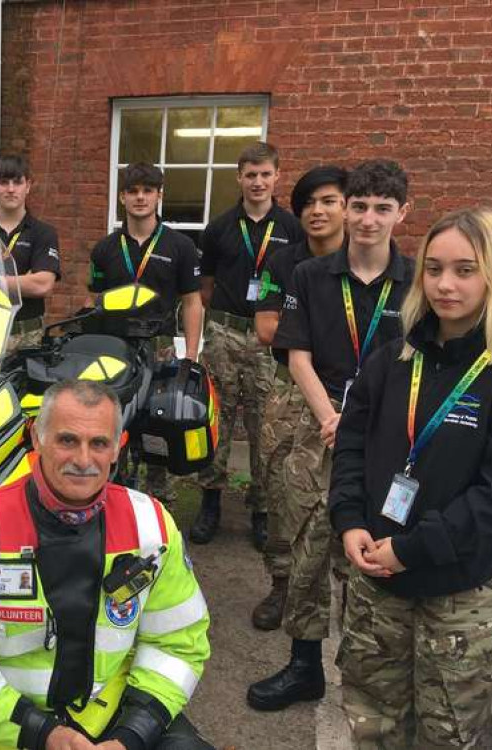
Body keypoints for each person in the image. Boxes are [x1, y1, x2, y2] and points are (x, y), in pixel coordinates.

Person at [0, 380, 212, 750]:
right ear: (36, 439)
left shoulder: (151, 525)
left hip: (116, 725)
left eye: (99, 443)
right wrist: (42, 733)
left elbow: (179, 645)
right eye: (67, 440)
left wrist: (133, 734)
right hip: (12, 734)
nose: (84, 460)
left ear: (118, 449)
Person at [330, 206, 492, 747]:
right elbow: (351, 443)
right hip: (378, 584)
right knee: (373, 728)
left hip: (459, 598)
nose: (445, 285)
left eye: (465, 270)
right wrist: (349, 518)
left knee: (443, 738)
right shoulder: (393, 359)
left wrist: (415, 548)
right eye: (435, 269)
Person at [247, 160, 414, 711]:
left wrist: (367, 422)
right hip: (323, 427)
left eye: (379, 209)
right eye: (360, 206)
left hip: (389, 434)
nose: (367, 219)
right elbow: (296, 356)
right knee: (310, 543)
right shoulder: (310, 277)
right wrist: (332, 419)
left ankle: (369, 669)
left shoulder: (415, 282)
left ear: (401, 214)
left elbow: (422, 365)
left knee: (371, 545)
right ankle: (304, 665)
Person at [190, 142, 304, 549]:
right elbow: (205, 288)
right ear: (239, 178)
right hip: (223, 333)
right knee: (216, 420)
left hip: (268, 338)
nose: (257, 182)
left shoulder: (292, 229)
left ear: (277, 176)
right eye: (250, 175)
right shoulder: (219, 228)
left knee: (263, 426)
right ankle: (210, 502)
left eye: (265, 174)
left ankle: (260, 509)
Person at [250, 166, 347, 632]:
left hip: (353, 397)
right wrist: (318, 342)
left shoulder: (364, 262)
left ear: (346, 207)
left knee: (346, 493)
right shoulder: (282, 263)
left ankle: (345, 585)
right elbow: (267, 330)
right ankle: (282, 582)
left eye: (328, 201)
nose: (317, 211)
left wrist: (307, 338)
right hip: (289, 395)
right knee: (281, 491)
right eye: (308, 203)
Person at [87, 163, 203, 504]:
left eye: (147, 191)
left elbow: (193, 303)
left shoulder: (180, 246)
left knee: (158, 429)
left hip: (162, 348)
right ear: (122, 197)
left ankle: (160, 507)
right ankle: (112, 500)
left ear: (158, 196)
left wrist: (191, 356)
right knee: (113, 424)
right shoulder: (105, 248)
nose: (140, 197)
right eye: (133, 191)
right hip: (115, 349)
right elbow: (93, 300)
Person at [0, 155, 61, 351]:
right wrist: (23, 281)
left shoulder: (43, 232)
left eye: (17, 182)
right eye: (3, 182)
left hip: (29, 336)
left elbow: (43, 284)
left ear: (28, 186)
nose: (10, 189)